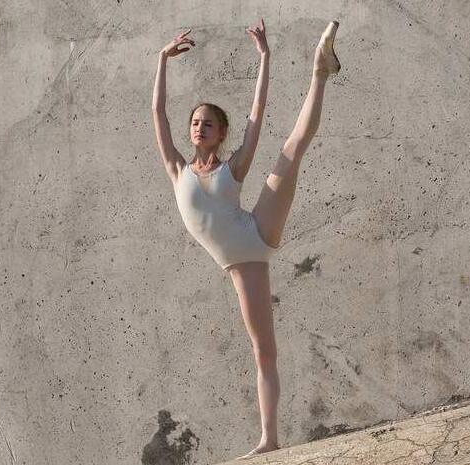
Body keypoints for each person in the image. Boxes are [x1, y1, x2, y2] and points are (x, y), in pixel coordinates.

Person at [151, 18, 340, 460]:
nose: (199, 127)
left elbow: (257, 115)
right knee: (263, 352)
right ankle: (269, 439)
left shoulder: (232, 167)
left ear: (221, 133)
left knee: (291, 149)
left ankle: (320, 71)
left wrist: (265, 57)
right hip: (238, 265)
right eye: (195, 122)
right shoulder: (177, 169)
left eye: (209, 123)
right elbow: (158, 114)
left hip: (254, 238)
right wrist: (162, 59)